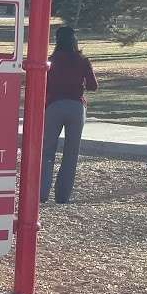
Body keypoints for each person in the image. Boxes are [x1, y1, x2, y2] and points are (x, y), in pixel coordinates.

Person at [41, 26, 97, 204]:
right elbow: (93, 86)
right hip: (76, 107)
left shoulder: (51, 61)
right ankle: (62, 196)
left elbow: (45, 86)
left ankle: (42, 193)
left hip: (54, 107)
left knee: (47, 152)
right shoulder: (82, 60)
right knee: (71, 154)